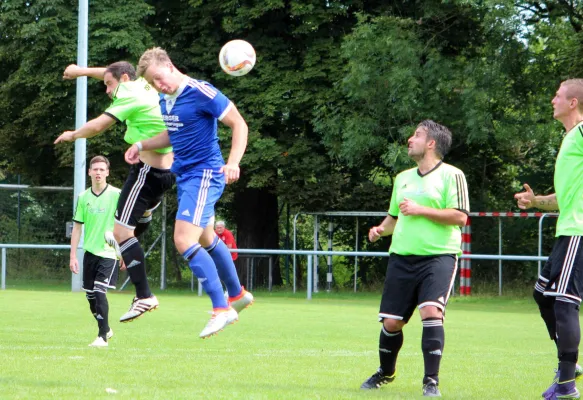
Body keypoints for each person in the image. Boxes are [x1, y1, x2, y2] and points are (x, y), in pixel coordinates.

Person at [125, 47, 254, 339]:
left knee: (183, 239)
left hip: (205, 173)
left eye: (159, 78)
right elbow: (174, 132)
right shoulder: (164, 98)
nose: (158, 85)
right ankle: (237, 294)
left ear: (169, 65)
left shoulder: (201, 91)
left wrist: (233, 163)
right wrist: (142, 144)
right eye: (152, 83)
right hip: (185, 176)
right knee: (207, 238)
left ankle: (221, 309)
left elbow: (239, 124)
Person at [55, 62, 175, 323]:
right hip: (168, 172)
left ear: (123, 79)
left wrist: (73, 135)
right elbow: (108, 73)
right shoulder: (142, 83)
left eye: (109, 85)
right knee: (135, 224)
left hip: (147, 172)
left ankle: (144, 295)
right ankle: (130, 245)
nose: (108, 91)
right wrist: (81, 72)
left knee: (120, 233)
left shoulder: (129, 96)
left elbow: (98, 126)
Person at [360, 120, 469, 397]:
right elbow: (394, 218)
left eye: (417, 136)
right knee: (392, 323)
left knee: (431, 311)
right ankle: (386, 372)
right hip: (401, 257)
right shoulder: (403, 178)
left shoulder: (452, 175)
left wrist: (421, 210)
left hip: (438, 256)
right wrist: (380, 230)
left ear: (431, 143)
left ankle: (430, 382)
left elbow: (460, 217)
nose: (410, 139)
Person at [515, 79, 583, 400]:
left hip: (578, 232)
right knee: (543, 295)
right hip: (566, 232)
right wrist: (536, 201)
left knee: (565, 302)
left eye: (558, 95)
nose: (552, 99)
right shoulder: (570, 139)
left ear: (573, 102)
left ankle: (566, 384)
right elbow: (564, 197)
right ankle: (570, 368)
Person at [70, 156, 121, 347]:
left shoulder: (117, 195)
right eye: (95, 169)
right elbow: (77, 228)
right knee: (90, 296)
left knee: (100, 291)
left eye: (102, 169)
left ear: (107, 172)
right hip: (90, 252)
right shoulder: (83, 198)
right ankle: (106, 327)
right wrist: (73, 255)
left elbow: (126, 224)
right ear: (89, 172)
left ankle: (102, 337)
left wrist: (125, 250)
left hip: (109, 252)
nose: (98, 172)